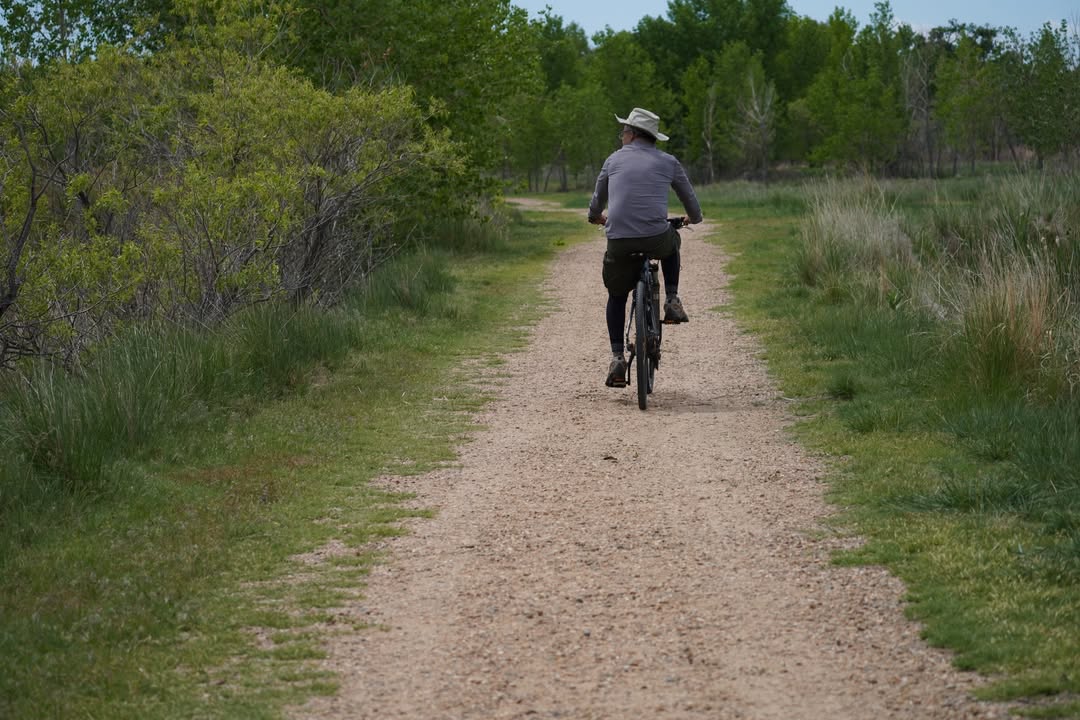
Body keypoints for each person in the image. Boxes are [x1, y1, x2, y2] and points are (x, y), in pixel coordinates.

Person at [587, 107, 703, 388]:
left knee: (616, 295)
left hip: (619, 239)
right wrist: (692, 219)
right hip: (655, 236)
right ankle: (672, 300)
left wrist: (596, 218)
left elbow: (596, 204)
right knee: (672, 242)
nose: (621, 136)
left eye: (623, 131)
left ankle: (617, 357)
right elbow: (692, 205)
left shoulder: (612, 161)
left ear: (633, 134)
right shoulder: (668, 161)